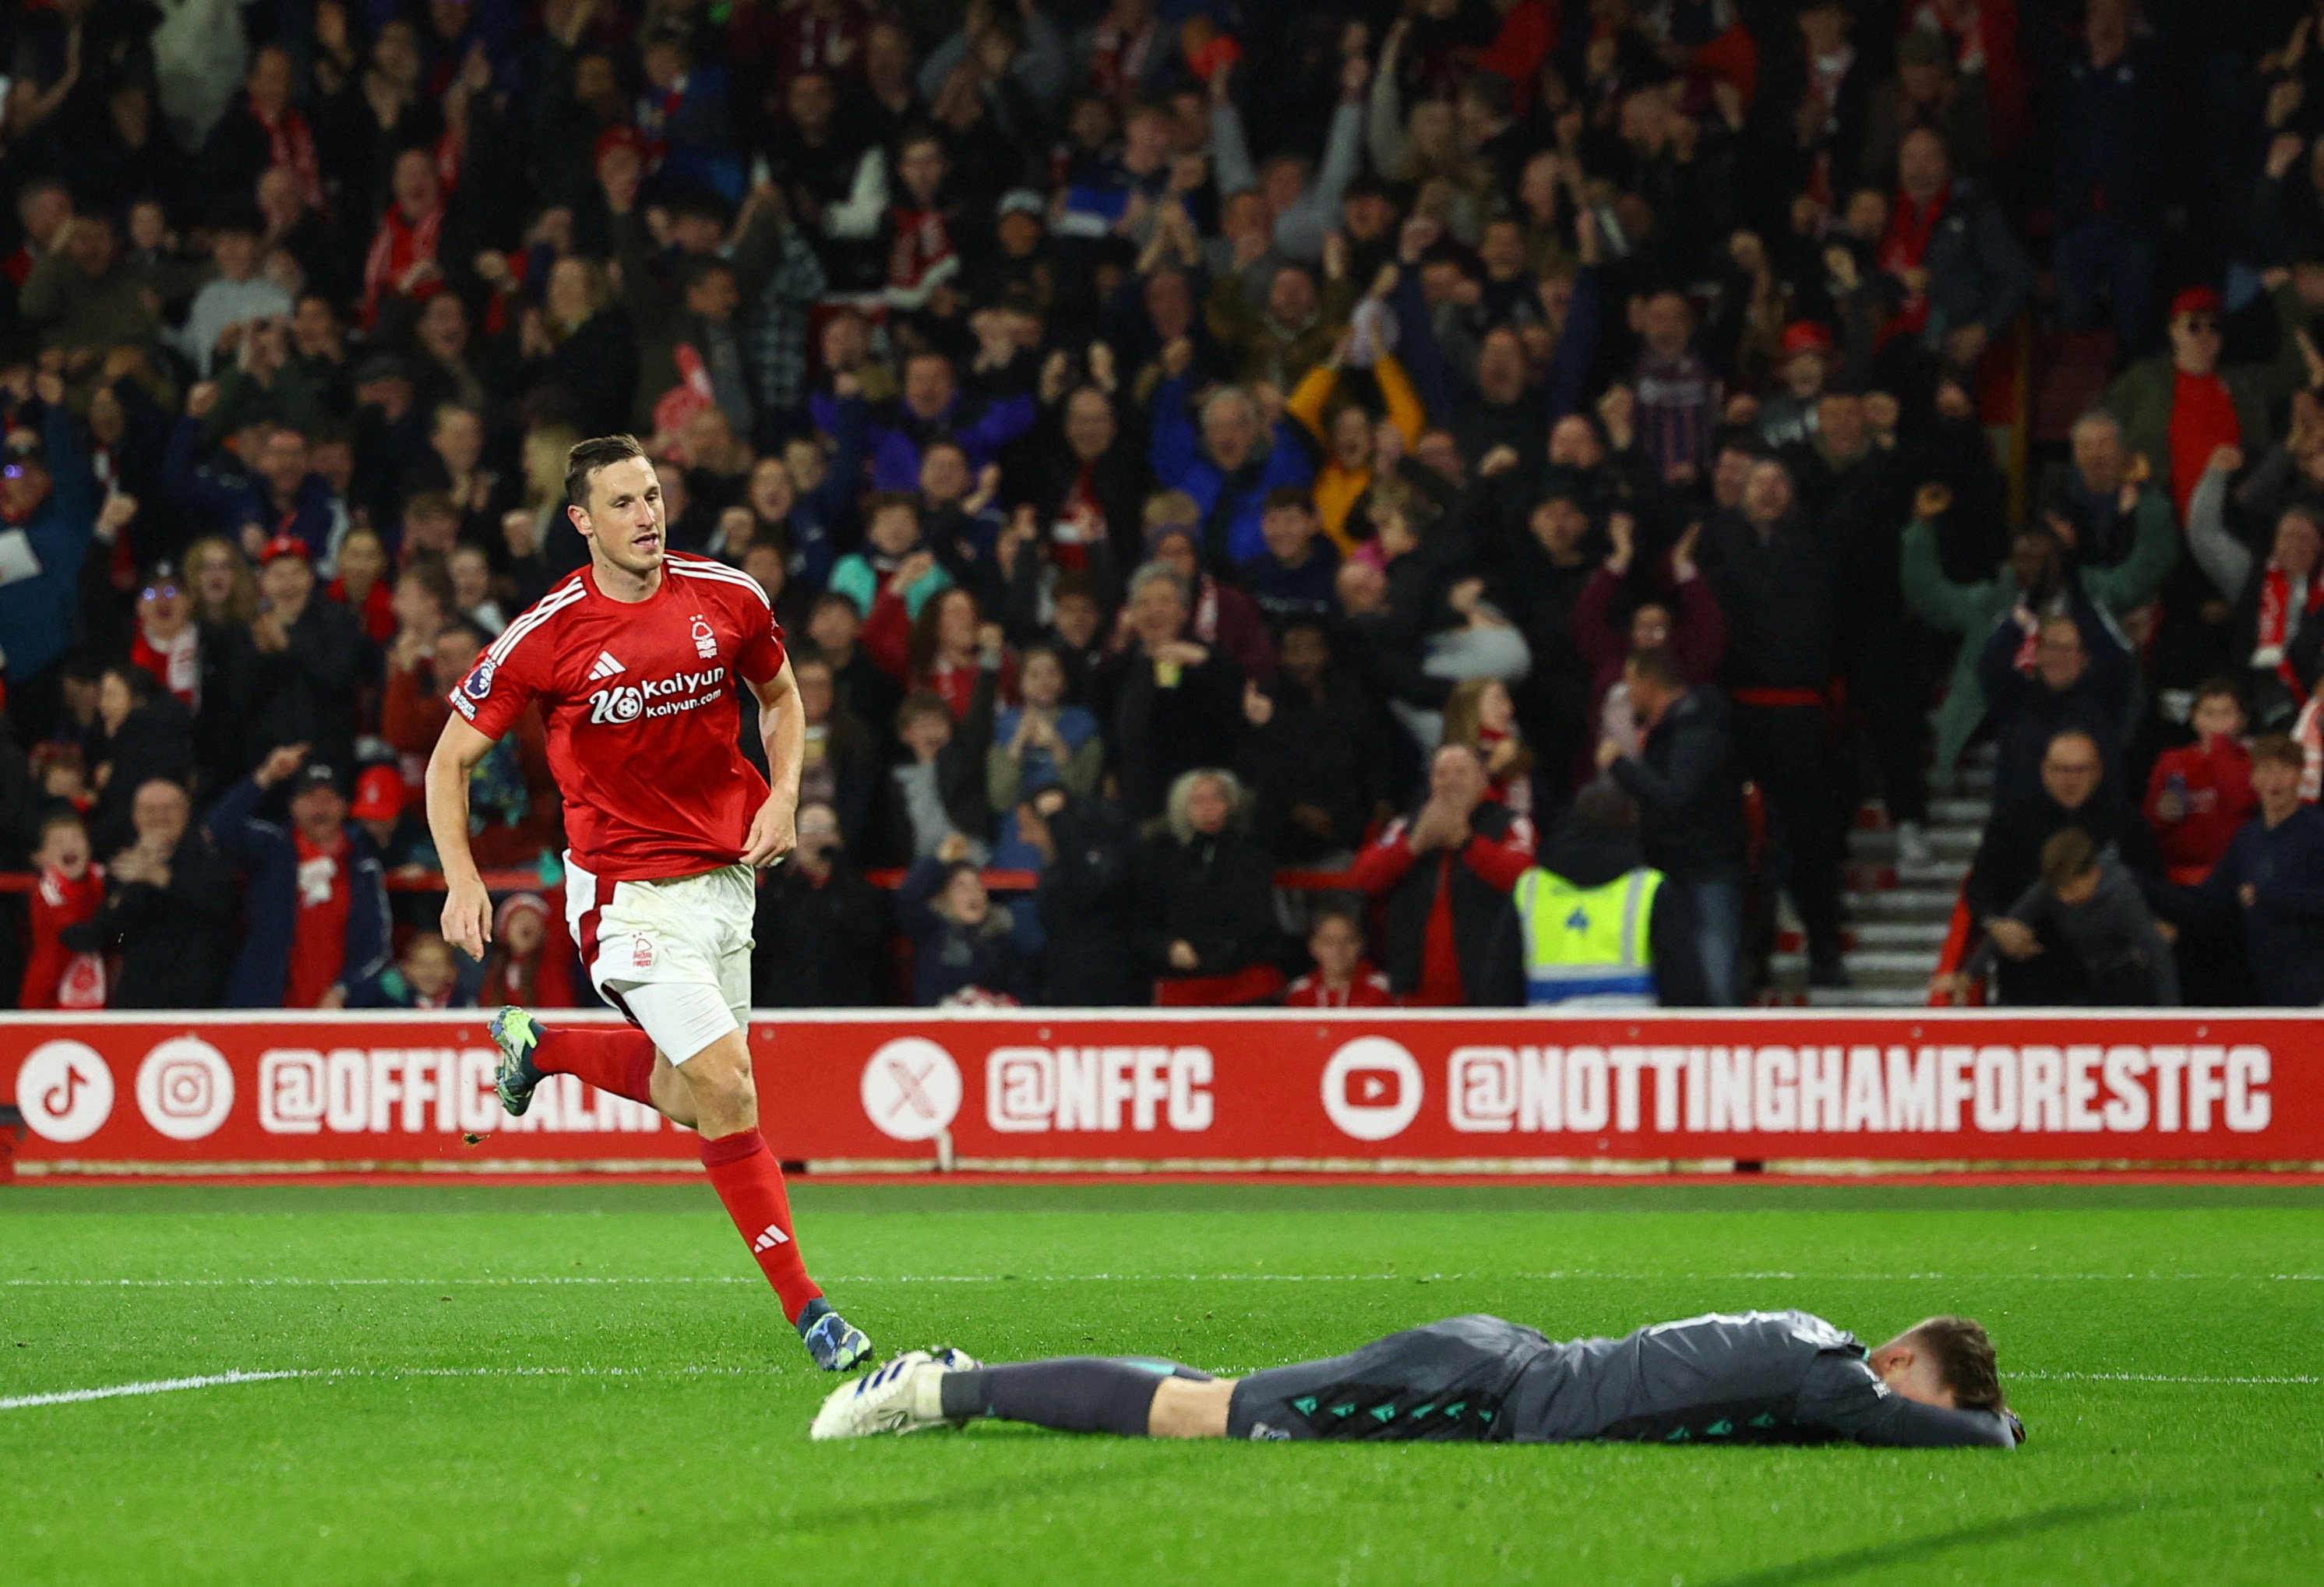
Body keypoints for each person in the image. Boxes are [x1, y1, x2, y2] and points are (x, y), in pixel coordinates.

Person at [425, 433, 869, 1372]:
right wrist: (464, 878)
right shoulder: (546, 633)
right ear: (582, 520)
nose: (647, 516)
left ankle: (540, 1047)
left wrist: (784, 795)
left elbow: (782, 698)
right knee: (727, 1083)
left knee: (691, 1092)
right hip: (624, 894)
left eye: (654, 496)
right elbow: (449, 761)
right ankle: (812, 1311)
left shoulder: (728, 596)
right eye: (623, 503)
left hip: (723, 881)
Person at [813, 1310, 2022, 1451]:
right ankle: (939, 1390)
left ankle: (963, 1379)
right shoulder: (1832, 1377)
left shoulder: (1803, 1335)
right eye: (1923, 1399)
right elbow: (1934, 1439)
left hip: (1489, 1368)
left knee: (1215, 1393)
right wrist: (1993, 1430)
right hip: (1478, 1395)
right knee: (1204, 1415)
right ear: (1899, 1361)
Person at [1603, 649, 1747, 1007]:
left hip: (1706, 872)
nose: (1627, 693)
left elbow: (1675, 795)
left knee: (1716, 985)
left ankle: (1725, 1053)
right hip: (1676, 870)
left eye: (1631, 683)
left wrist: (1619, 766)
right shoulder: (1672, 729)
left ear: (1649, 682)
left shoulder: (1694, 731)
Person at [1351, 743, 1535, 1007]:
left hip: (1488, 993)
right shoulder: (1406, 827)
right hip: (1415, 993)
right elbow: (1363, 878)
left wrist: (1466, 843)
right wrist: (1412, 847)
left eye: (1461, 772)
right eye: (1441, 773)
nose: (1450, 781)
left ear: (1482, 779)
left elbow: (1524, 878)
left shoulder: (1509, 824)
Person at [206, 748, 391, 1010]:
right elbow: (219, 828)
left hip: (337, 1011)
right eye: (310, 798)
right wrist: (266, 775)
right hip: (267, 1008)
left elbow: (375, 946)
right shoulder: (272, 849)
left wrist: (344, 990)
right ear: (292, 806)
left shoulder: (363, 866)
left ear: (344, 806)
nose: (320, 808)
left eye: (329, 799)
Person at [2158, 735, 2324, 1007]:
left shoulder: (2316, 832)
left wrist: (2272, 895)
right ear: (2253, 779)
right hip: (2267, 987)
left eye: (2285, 769)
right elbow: (2205, 903)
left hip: (2314, 987)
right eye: (2266, 769)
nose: (2275, 780)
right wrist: (2134, 884)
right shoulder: (2248, 838)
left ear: (2300, 775)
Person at [1946, 828, 2179, 1008]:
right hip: (2081, 977)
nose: (2064, 896)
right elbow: (2011, 927)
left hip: (2127, 979)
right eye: (2058, 889)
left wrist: (2171, 1018)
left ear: (2094, 874)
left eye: (2072, 888)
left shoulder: (2121, 893)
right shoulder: (2051, 886)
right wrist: (1969, 973)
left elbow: (2157, 953)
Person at [70, 778, 235, 1009]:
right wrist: (134, 883)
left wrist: (162, 878)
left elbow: (220, 908)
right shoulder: (124, 865)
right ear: (135, 817)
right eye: (150, 810)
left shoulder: (209, 857)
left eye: (168, 809)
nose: (159, 817)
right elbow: (117, 934)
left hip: (198, 992)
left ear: (186, 814)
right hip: (139, 994)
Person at [1499, 783, 1663, 1008]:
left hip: (1545, 1038)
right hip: (1633, 1039)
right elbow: (1685, 989)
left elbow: (1500, 984)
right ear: (1632, 821)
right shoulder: (1650, 889)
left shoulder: (1530, 888)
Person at [1137, 769, 1284, 1007]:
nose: (1210, 808)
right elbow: (1144, 923)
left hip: (1242, 978)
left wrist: (1222, 953)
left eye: (1217, 798)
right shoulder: (1159, 857)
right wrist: (1167, 947)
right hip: (1183, 980)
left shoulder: (1250, 855)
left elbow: (1259, 922)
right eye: (1199, 800)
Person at [752, 801, 889, 1009]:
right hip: (785, 1006)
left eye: (823, 830)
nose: (814, 839)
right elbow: (761, 945)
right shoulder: (773, 891)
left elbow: (872, 941)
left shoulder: (859, 891)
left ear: (837, 838)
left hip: (846, 1006)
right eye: (807, 830)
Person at [898, 848, 1029, 1007]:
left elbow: (1024, 996)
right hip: (938, 1028)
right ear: (943, 897)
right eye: (961, 886)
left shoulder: (1003, 942)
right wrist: (940, 860)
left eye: (978, 885)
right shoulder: (930, 931)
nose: (973, 893)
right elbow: (908, 897)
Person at [20, 811, 107, 1010]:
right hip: (49, 996)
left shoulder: (99, 880)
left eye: (77, 838)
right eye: (58, 841)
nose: (69, 846)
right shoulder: (48, 890)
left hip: (93, 990)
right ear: (41, 857)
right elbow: (76, 936)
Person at [1283, 898, 1394, 1010]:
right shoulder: (1300, 992)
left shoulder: (1379, 989)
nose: (1338, 949)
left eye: (1348, 941)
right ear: (1313, 946)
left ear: (1361, 944)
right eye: (1329, 942)